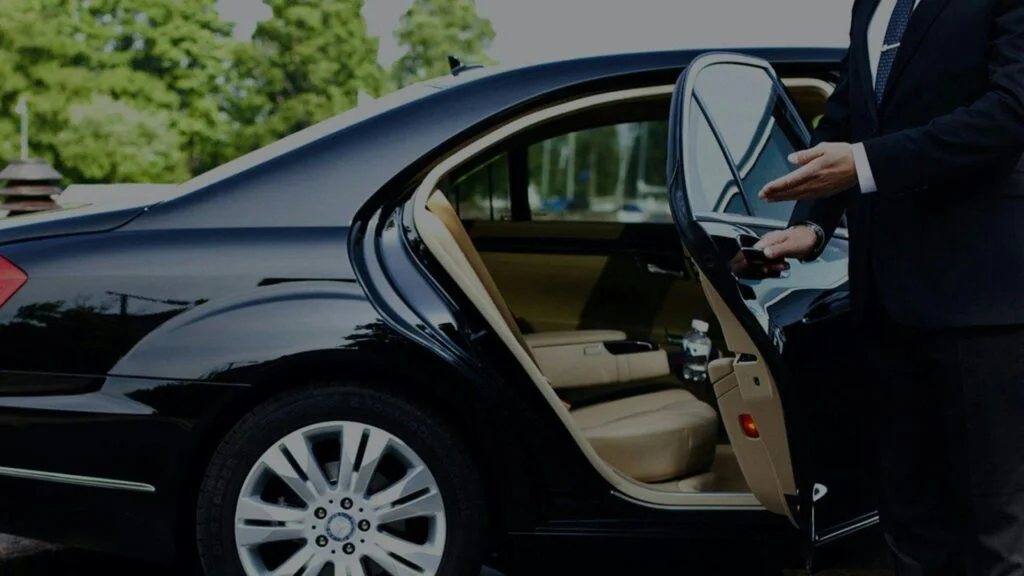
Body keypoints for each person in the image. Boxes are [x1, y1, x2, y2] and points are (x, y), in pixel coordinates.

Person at [753, 0, 1024, 574]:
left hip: (983, 305)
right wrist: (811, 223)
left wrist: (864, 165)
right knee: (906, 526)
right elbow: (849, 117)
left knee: (995, 535)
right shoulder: (871, 5)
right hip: (884, 303)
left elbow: (1010, 113)